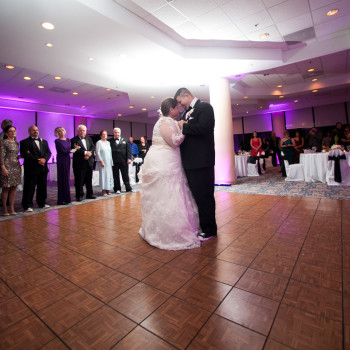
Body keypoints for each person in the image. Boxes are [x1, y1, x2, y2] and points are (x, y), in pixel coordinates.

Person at [139, 97, 200, 250]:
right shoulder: (165, 122)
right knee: (168, 195)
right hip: (164, 162)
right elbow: (175, 141)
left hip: (168, 160)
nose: (179, 110)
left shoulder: (164, 121)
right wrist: (183, 127)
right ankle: (168, 233)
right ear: (171, 109)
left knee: (170, 193)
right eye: (177, 108)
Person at [175, 87, 217, 241]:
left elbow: (205, 128)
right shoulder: (186, 113)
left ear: (186, 95)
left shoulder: (205, 108)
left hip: (202, 160)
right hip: (190, 162)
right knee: (197, 197)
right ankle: (203, 226)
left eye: (180, 102)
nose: (180, 106)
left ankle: (210, 229)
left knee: (205, 196)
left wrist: (184, 126)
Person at [20, 125, 51, 212]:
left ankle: (42, 202)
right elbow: (26, 155)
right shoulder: (24, 142)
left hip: (43, 168)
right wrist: (38, 160)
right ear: (29, 132)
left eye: (37, 130)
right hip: (32, 168)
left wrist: (44, 159)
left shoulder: (44, 141)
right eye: (33, 130)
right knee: (29, 187)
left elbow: (48, 152)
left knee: (42, 187)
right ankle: (27, 205)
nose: (36, 131)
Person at [70, 125, 96, 202]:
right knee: (79, 180)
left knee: (89, 179)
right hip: (79, 164)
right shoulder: (73, 140)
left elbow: (92, 147)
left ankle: (90, 194)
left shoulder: (89, 138)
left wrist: (89, 154)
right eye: (80, 130)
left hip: (89, 163)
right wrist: (85, 153)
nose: (82, 132)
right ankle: (79, 195)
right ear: (77, 131)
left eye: (83, 130)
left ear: (86, 131)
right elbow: (73, 150)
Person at [0, 125, 21, 215]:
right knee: (6, 188)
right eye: (10, 131)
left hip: (16, 166)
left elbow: (15, 155)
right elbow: (1, 156)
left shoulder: (16, 143)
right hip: (7, 167)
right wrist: (3, 168)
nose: (13, 133)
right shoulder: (3, 142)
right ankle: (4, 208)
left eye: (14, 131)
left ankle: (11, 208)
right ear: (6, 133)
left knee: (14, 187)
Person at [108, 128, 132, 194]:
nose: (117, 134)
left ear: (120, 133)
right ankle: (117, 189)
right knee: (115, 176)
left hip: (123, 160)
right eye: (115, 132)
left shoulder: (125, 140)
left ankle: (128, 188)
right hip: (114, 161)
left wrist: (129, 158)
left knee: (125, 175)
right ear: (113, 133)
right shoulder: (110, 141)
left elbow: (128, 150)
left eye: (118, 132)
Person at [54, 127, 71, 205]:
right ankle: (61, 199)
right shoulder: (57, 141)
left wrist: (73, 150)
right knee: (62, 179)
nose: (61, 132)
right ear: (57, 133)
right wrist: (74, 150)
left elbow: (69, 150)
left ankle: (67, 198)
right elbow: (63, 151)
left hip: (67, 159)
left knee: (66, 178)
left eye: (62, 130)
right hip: (61, 160)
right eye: (59, 131)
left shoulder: (68, 140)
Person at [95, 130, 114, 196]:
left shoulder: (108, 142)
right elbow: (97, 152)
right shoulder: (99, 142)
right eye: (103, 134)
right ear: (101, 135)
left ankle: (108, 189)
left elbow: (110, 153)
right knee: (103, 176)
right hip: (102, 162)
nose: (104, 135)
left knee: (109, 175)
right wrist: (101, 161)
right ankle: (103, 190)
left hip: (108, 161)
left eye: (105, 134)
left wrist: (111, 161)